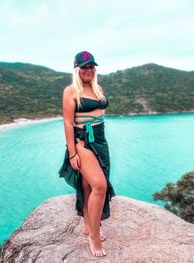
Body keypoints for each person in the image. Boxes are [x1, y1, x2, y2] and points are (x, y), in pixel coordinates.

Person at [59, 51, 115, 257]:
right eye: (84, 66)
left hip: (101, 141)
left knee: (88, 185)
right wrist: (73, 153)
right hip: (83, 142)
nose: (89, 70)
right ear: (77, 69)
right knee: (100, 186)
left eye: (91, 66)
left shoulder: (98, 88)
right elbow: (67, 122)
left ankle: (87, 226)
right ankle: (94, 236)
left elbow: (99, 115)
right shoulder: (71, 91)